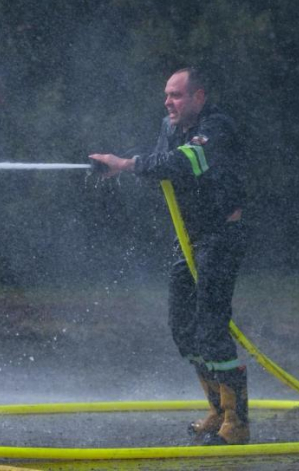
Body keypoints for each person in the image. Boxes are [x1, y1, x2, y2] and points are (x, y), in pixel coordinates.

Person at [89, 67, 249, 445]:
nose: (168, 102)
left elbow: (184, 163)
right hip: (188, 239)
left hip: (220, 238)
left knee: (212, 328)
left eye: (176, 95)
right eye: (166, 95)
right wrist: (121, 169)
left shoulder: (218, 128)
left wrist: (126, 163)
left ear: (199, 97)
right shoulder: (169, 127)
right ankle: (216, 408)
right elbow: (161, 166)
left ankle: (237, 422)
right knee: (183, 327)